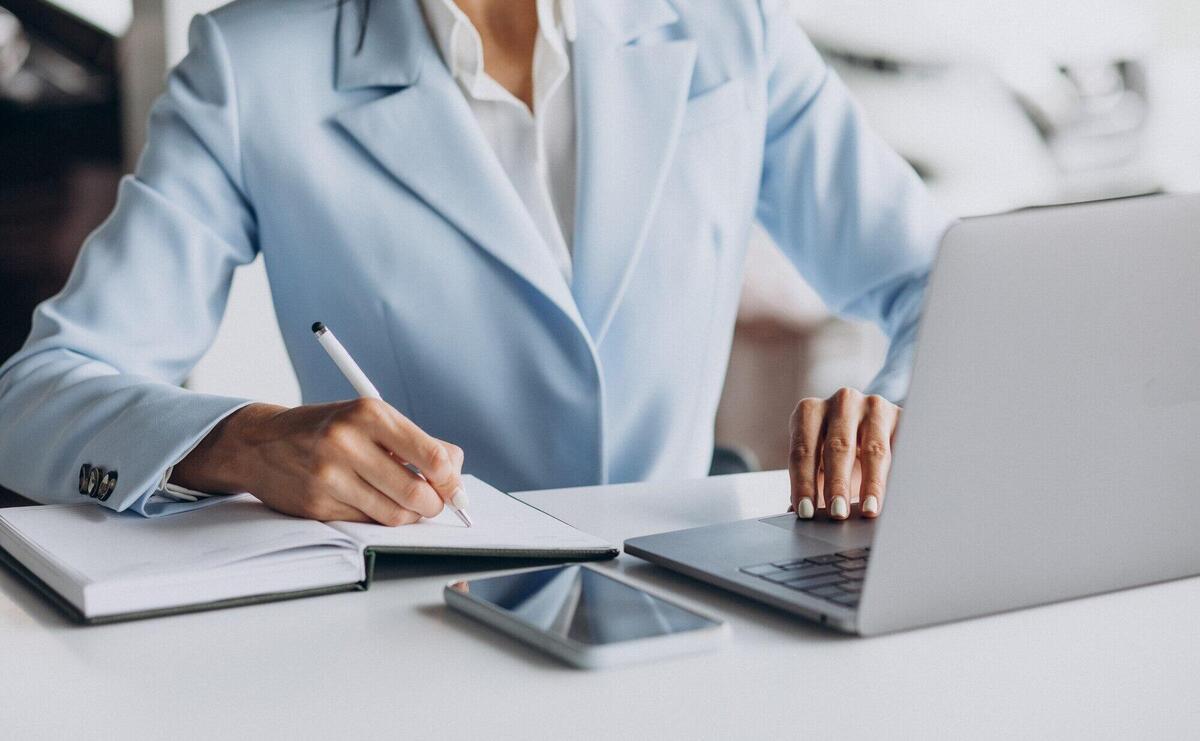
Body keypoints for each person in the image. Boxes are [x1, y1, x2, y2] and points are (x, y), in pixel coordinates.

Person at [0, 0, 952, 525]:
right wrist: (245, 444)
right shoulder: (253, 64)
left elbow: (936, 280)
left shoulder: (727, 24)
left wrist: (894, 409)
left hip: (699, 595)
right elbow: (36, 397)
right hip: (417, 623)